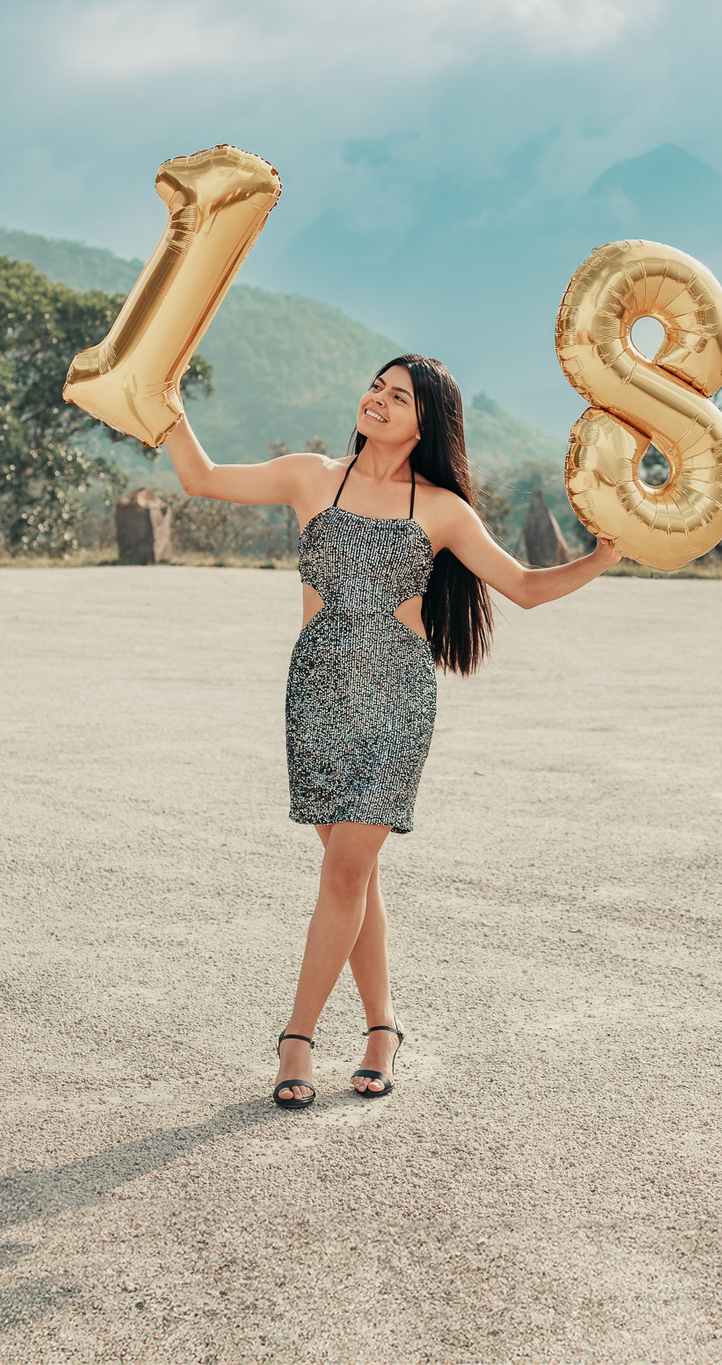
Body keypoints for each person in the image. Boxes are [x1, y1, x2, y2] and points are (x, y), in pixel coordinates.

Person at [165, 354, 620, 1109]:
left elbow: (525, 588)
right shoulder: (312, 477)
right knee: (356, 876)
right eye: (376, 386)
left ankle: (296, 1038)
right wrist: (165, 402)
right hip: (317, 695)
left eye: (397, 396)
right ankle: (383, 1028)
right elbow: (200, 477)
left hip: (395, 704)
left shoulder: (442, 509)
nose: (376, 399)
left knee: (346, 872)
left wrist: (602, 559)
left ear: (425, 422)